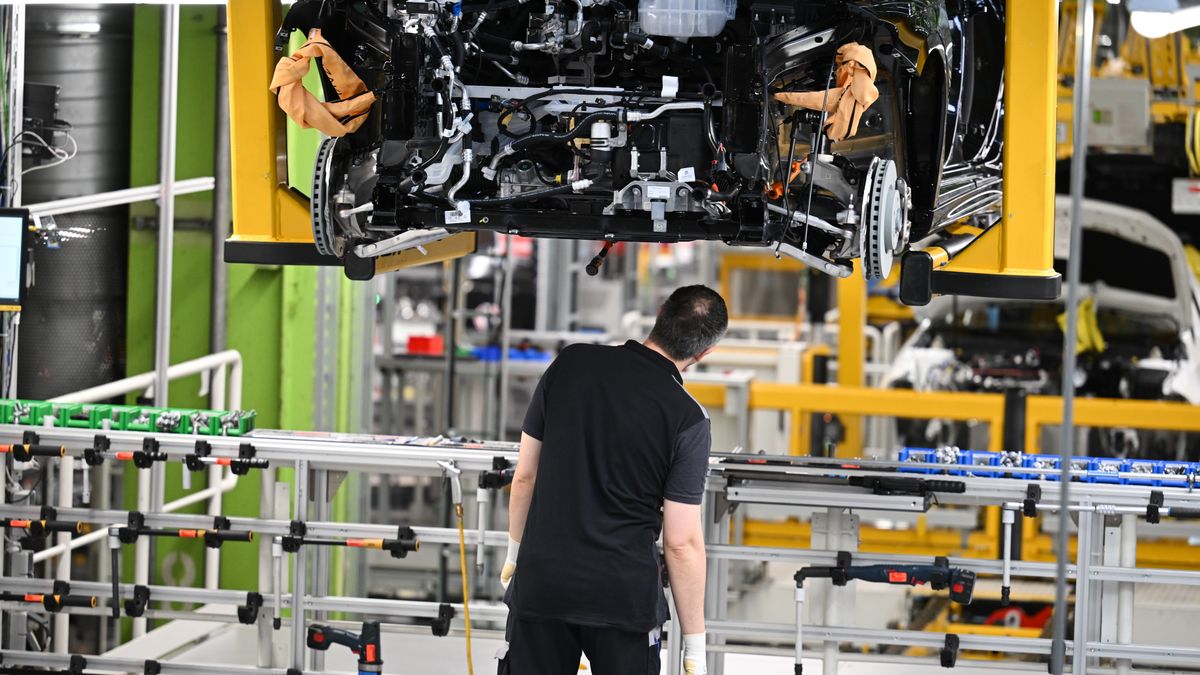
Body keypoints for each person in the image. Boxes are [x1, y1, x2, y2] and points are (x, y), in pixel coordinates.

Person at [497, 285, 728, 675]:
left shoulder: (570, 363)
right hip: (622, 598)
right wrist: (695, 643)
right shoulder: (688, 418)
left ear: (659, 314)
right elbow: (681, 542)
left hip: (543, 584)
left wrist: (514, 555)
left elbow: (525, 477)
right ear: (703, 353)